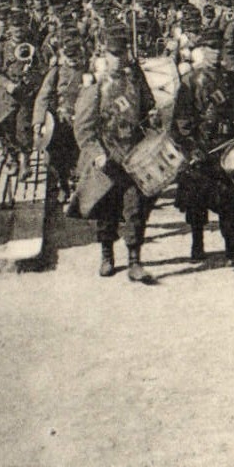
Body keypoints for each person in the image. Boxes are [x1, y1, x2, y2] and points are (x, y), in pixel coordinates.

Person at [71, 24, 159, 282]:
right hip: (107, 159)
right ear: (105, 55)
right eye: (114, 54)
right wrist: (97, 154)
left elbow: (149, 108)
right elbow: (84, 128)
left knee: (136, 209)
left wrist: (153, 117)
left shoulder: (136, 80)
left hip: (134, 156)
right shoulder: (96, 87)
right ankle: (107, 256)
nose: (119, 58)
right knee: (107, 211)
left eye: (122, 53)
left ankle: (134, 260)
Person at [171, 22, 234, 264]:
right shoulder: (190, 81)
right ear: (203, 50)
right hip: (201, 147)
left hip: (227, 146)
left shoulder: (232, 79)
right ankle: (197, 245)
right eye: (212, 48)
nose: (216, 53)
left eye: (219, 48)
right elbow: (182, 120)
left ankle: (233, 249)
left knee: (230, 201)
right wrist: (192, 147)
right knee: (196, 202)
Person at [32, 29, 86, 202]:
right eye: (70, 57)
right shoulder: (56, 72)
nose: (73, 60)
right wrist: (38, 121)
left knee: (80, 156)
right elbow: (43, 96)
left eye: (76, 56)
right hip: (61, 121)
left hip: (83, 119)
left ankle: (78, 187)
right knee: (57, 157)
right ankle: (63, 185)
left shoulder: (89, 70)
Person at [0, 6, 39, 179]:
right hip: (7, 95)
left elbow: (40, 68)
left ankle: (25, 163)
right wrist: (7, 84)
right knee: (6, 129)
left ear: (26, 27)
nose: (19, 30)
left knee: (23, 128)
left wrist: (31, 80)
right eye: (15, 27)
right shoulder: (2, 47)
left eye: (22, 26)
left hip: (25, 95)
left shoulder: (33, 45)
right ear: (9, 29)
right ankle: (12, 159)